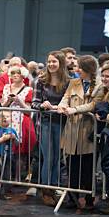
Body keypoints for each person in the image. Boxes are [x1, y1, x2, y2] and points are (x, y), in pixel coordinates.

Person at [58, 55, 100, 213]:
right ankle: (72, 198)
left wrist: (75, 109)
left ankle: (89, 199)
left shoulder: (99, 85)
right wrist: (62, 106)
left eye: (80, 68)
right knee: (72, 166)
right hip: (72, 130)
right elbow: (66, 98)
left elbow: (93, 104)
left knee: (88, 167)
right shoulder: (74, 82)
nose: (77, 70)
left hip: (87, 131)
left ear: (89, 70)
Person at [32, 51, 69, 206]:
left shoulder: (68, 81)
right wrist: (43, 105)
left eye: (54, 61)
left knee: (57, 158)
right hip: (45, 123)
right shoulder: (40, 81)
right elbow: (34, 103)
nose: (51, 64)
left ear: (61, 63)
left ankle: (53, 187)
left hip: (62, 123)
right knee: (48, 157)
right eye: (49, 61)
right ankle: (46, 190)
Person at [92, 61, 109, 214]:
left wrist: (104, 118)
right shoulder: (102, 91)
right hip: (107, 134)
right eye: (102, 75)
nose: (104, 78)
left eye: (107, 76)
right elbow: (92, 105)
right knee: (108, 166)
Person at [0, 111, 19, 193]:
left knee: (7, 177)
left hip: (8, 156)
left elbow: (17, 143)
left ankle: (7, 191)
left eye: (7, 116)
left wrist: (14, 137)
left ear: (11, 119)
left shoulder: (12, 130)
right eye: (2, 117)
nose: (5, 118)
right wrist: (2, 139)